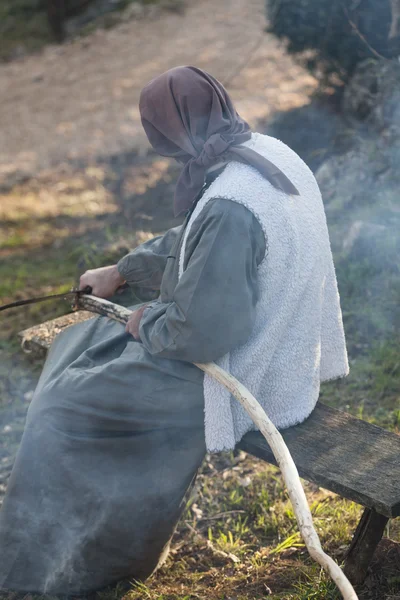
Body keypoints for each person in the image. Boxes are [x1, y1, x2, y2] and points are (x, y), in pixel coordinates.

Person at [0, 66, 348, 595]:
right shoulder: (263, 152)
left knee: (62, 407)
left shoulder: (233, 203)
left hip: (244, 375)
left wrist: (147, 319)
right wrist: (122, 272)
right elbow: (196, 242)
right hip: (275, 352)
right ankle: (102, 543)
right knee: (79, 342)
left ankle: (50, 567)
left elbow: (202, 333)